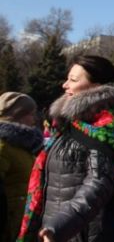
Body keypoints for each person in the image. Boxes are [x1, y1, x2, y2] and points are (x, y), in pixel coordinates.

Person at [18, 55, 114, 242]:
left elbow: (98, 184)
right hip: (54, 229)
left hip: (82, 233)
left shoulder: (107, 125)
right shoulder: (66, 124)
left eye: (73, 80)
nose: (65, 85)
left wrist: (58, 227)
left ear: (97, 86)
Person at [0, 92, 43, 242]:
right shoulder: (4, 146)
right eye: (31, 114)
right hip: (9, 225)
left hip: (24, 220)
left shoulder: (25, 145)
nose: (34, 119)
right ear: (18, 115)